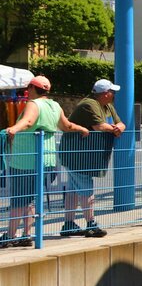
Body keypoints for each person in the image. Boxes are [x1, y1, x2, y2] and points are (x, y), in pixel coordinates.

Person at [3, 76, 88, 248]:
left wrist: (13, 129)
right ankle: (26, 234)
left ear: (32, 89)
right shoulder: (54, 106)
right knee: (31, 199)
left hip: (25, 161)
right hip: (47, 160)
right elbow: (67, 126)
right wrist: (82, 129)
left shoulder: (33, 104)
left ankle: (10, 236)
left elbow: (27, 122)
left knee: (19, 199)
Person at [61, 79, 125, 237]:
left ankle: (68, 224)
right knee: (85, 188)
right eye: (112, 92)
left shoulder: (107, 106)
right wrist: (115, 129)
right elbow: (99, 127)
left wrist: (119, 127)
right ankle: (91, 223)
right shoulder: (89, 104)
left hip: (86, 155)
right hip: (77, 155)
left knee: (73, 190)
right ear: (105, 94)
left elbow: (120, 122)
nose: (114, 94)